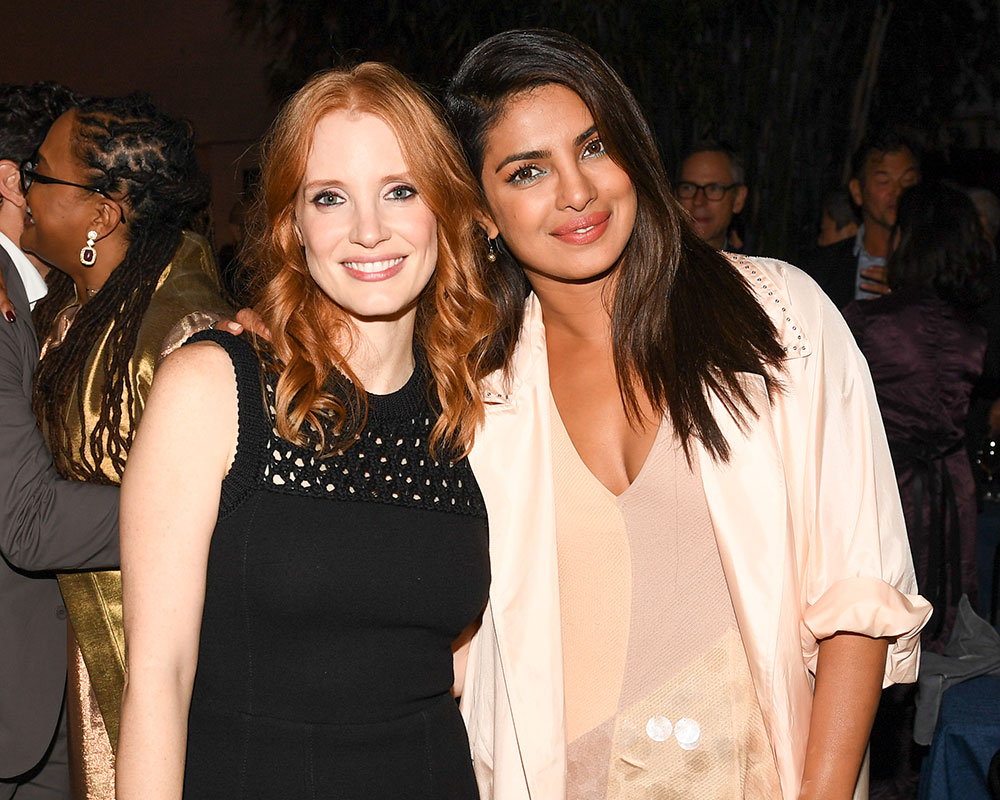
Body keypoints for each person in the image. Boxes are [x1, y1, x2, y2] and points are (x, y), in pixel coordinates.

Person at [446, 29, 930, 800]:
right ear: (483, 212)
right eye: (527, 170)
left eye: (594, 147)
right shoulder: (476, 394)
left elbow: (857, 592)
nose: (577, 190)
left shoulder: (777, 320)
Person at [116, 63, 493, 799]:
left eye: (400, 190)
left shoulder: (479, 408)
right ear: (293, 226)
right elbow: (158, 679)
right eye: (330, 197)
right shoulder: (213, 388)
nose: (368, 230)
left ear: (445, 209)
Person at [21, 94, 232, 799]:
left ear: (102, 216)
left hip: (157, 665)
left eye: (39, 173)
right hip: (88, 660)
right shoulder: (73, 309)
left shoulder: (184, 334)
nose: (23, 188)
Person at [843, 183, 994, 800]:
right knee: (944, 626)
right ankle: (929, 770)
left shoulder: (868, 322)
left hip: (891, 484)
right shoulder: (974, 329)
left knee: (881, 624)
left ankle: (881, 770)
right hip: (953, 488)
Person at [0, 82, 119, 800]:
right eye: (46, 175)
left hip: (50, 695)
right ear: (13, 183)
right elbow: (29, 521)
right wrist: (203, 498)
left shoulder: (51, 302)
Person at [804, 131, 920, 308]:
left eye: (908, 181)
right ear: (857, 191)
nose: (898, 191)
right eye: (884, 181)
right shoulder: (823, 267)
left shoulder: (939, 264)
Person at [675, 141, 748, 252]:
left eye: (714, 189)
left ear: (738, 199)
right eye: (688, 188)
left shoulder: (756, 262)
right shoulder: (653, 260)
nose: (698, 201)